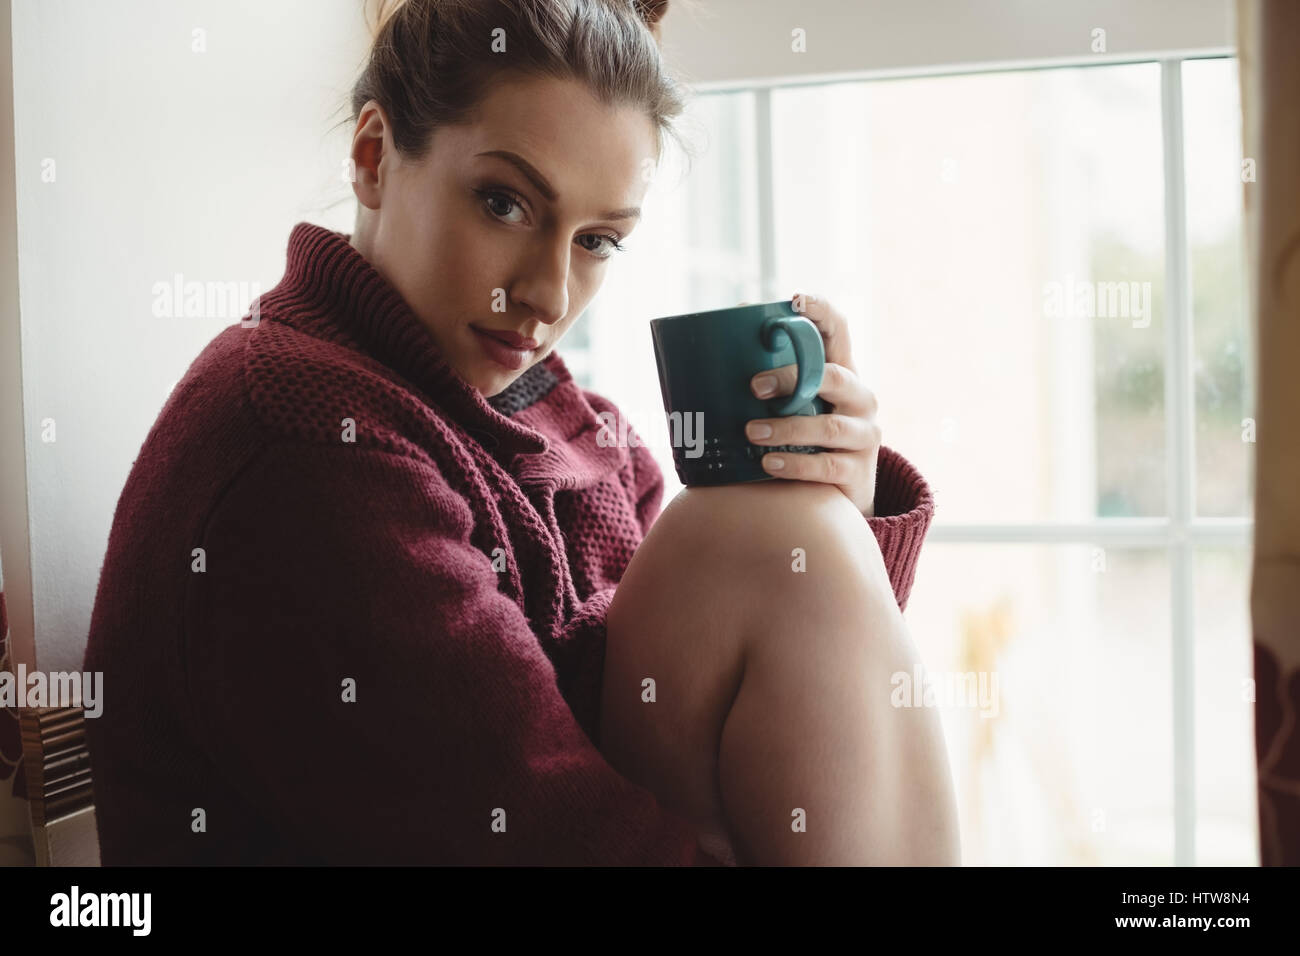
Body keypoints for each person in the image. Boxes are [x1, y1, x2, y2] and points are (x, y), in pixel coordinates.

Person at [82, 0, 958, 865]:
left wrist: (844, 508)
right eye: (505, 203)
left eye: (598, 242)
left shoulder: (533, 405)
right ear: (374, 156)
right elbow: (539, 836)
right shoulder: (307, 439)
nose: (548, 294)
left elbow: (788, 694)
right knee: (755, 536)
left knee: (777, 531)